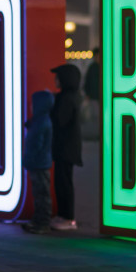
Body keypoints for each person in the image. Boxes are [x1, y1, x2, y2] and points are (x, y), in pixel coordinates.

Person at [50, 64, 83, 230]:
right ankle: (63, 215)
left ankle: (68, 218)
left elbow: (59, 121)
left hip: (65, 148)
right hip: (65, 148)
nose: (55, 80)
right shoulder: (69, 96)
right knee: (61, 181)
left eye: (58, 77)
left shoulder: (66, 99)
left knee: (64, 183)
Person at [22, 90, 54, 235]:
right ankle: (38, 220)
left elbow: (36, 143)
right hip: (38, 162)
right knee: (39, 194)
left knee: (41, 194)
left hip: (39, 163)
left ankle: (43, 222)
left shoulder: (42, 122)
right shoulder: (40, 120)